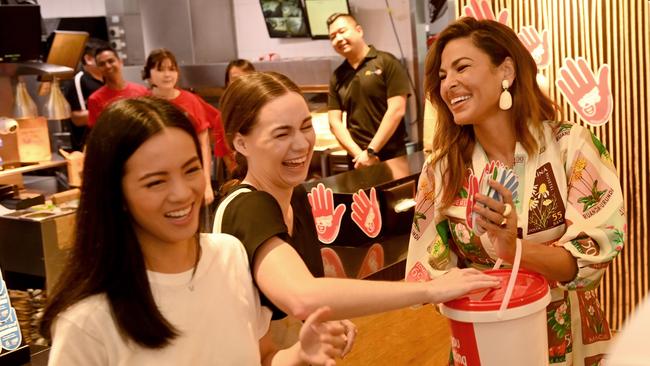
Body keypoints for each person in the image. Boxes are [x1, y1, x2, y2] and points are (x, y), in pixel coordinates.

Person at [40, 97, 352, 365]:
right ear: (116, 194)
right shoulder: (86, 320)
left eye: (191, 170)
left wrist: (301, 353)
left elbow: (262, 357)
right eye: (156, 181)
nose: (182, 193)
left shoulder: (228, 255)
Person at [404, 17, 625, 365]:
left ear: (505, 70)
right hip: (481, 334)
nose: (449, 85)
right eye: (443, 76)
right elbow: (425, 268)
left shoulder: (569, 146)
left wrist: (513, 249)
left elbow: (596, 250)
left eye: (462, 67)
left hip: (565, 334)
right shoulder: (442, 169)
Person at [214, 72, 500, 339]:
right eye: (281, 134)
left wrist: (322, 318)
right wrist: (428, 289)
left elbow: (304, 304)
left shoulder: (297, 197)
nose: (301, 144)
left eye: (305, 127)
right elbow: (302, 297)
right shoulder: (249, 206)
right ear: (241, 143)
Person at [143, 48, 233, 204]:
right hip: (155, 175)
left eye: (171, 69)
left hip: (187, 172)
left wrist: (206, 184)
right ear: (149, 74)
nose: (167, 74)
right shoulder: (143, 104)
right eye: (160, 69)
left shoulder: (191, 100)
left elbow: (204, 145)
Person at [326, 13, 411, 169]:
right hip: (357, 160)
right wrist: (359, 155)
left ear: (359, 31)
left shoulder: (386, 62)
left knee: (401, 194)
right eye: (332, 36)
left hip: (392, 156)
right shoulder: (337, 76)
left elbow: (397, 110)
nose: (338, 38)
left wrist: (371, 151)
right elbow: (334, 122)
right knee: (361, 195)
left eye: (342, 31)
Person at [61, 37, 106, 151]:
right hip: (89, 148)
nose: (107, 63)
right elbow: (78, 118)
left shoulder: (107, 80)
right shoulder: (79, 80)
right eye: (103, 58)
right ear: (89, 59)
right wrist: (113, 111)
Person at [87, 46, 148, 127]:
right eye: (102, 64)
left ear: (120, 62)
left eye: (111, 61)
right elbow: (97, 132)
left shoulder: (142, 91)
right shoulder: (95, 99)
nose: (108, 66)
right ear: (98, 69)